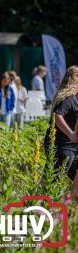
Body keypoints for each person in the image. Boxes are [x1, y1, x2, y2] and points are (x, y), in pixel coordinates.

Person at [43, 66, 78, 200]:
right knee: (52, 179)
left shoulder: (72, 97)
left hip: (70, 146)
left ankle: (70, 204)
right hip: (61, 145)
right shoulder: (68, 98)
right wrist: (70, 133)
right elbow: (57, 116)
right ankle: (42, 206)